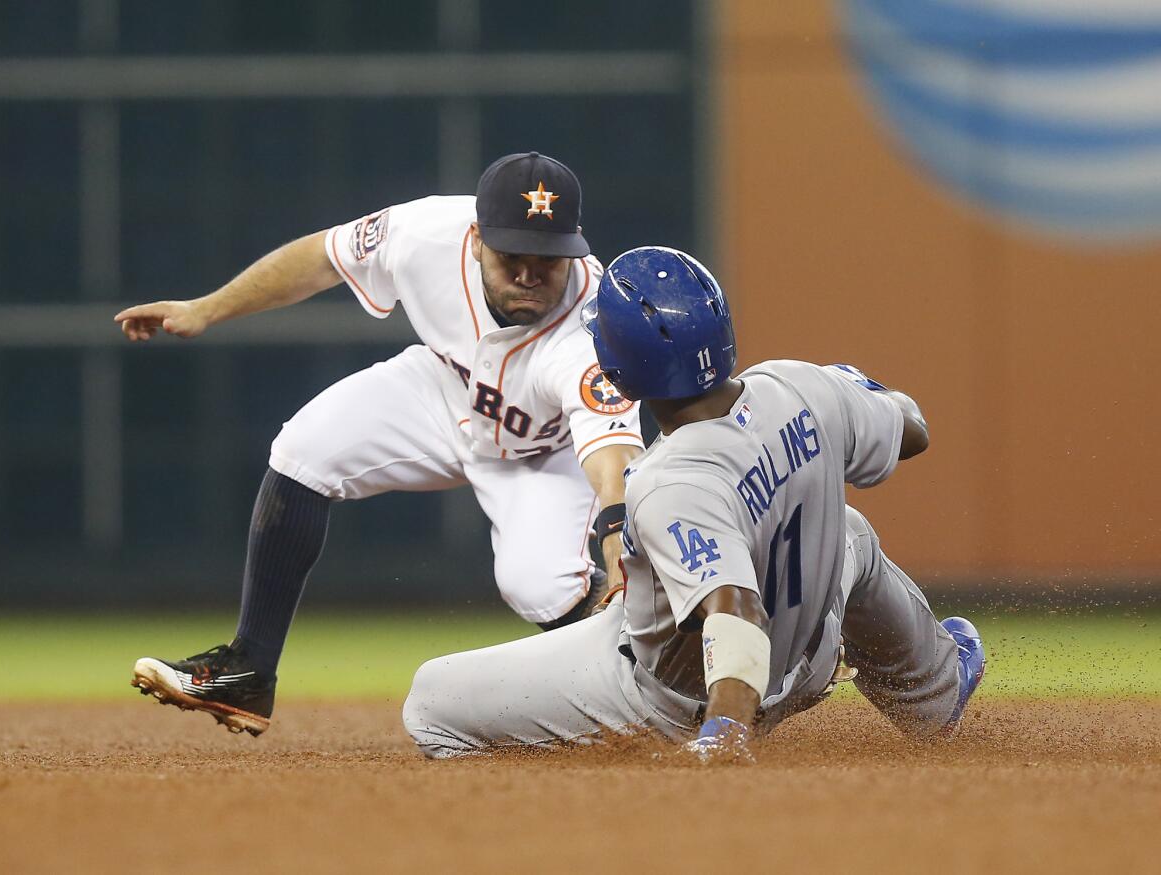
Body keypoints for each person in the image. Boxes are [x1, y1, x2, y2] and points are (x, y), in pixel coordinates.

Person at [117, 152, 644, 736]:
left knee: (539, 585)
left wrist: (619, 526)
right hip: (449, 388)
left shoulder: (594, 327)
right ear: (475, 241)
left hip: (549, 448)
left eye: (546, 259)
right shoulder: (421, 232)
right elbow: (319, 259)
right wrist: (207, 308)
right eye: (511, 254)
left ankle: (643, 688)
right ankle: (249, 670)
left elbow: (611, 451)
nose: (527, 274)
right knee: (305, 449)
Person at [402, 245, 985, 760]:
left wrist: (724, 732)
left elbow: (735, 614)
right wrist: (854, 391)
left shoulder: (668, 481)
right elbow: (913, 431)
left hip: (684, 697)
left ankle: (610, 773)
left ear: (617, 371)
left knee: (430, 702)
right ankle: (932, 689)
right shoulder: (800, 386)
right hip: (807, 656)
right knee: (848, 533)